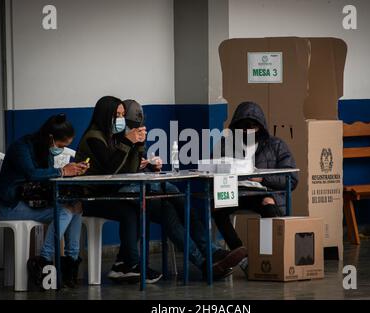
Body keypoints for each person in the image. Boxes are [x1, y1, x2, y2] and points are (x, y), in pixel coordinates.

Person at [76, 96, 245, 283]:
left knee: (170, 209)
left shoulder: (114, 138)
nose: (121, 119)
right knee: (172, 194)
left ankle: (208, 259)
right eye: (117, 115)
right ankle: (208, 256)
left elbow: (128, 170)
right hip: (98, 196)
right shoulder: (94, 138)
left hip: (122, 191)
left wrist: (141, 151)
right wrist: (128, 143)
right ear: (106, 114)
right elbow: (112, 170)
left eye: (123, 115)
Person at [0, 114, 89, 288]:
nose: (61, 149)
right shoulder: (20, 147)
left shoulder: (45, 149)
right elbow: (32, 174)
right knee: (65, 210)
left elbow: (46, 179)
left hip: (30, 201)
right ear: (51, 138)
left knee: (76, 206)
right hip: (9, 205)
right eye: (61, 145)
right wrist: (62, 172)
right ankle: (43, 260)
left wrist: (73, 171)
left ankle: (71, 262)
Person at [213, 101, 299, 274]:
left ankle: (270, 256)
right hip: (235, 191)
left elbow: (291, 179)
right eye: (243, 128)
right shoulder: (224, 144)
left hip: (262, 192)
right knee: (217, 207)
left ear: (261, 126)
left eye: (252, 127)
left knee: (268, 203)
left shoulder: (276, 145)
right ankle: (241, 256)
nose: (247, 131)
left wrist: (262, 178)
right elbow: (214, 169)